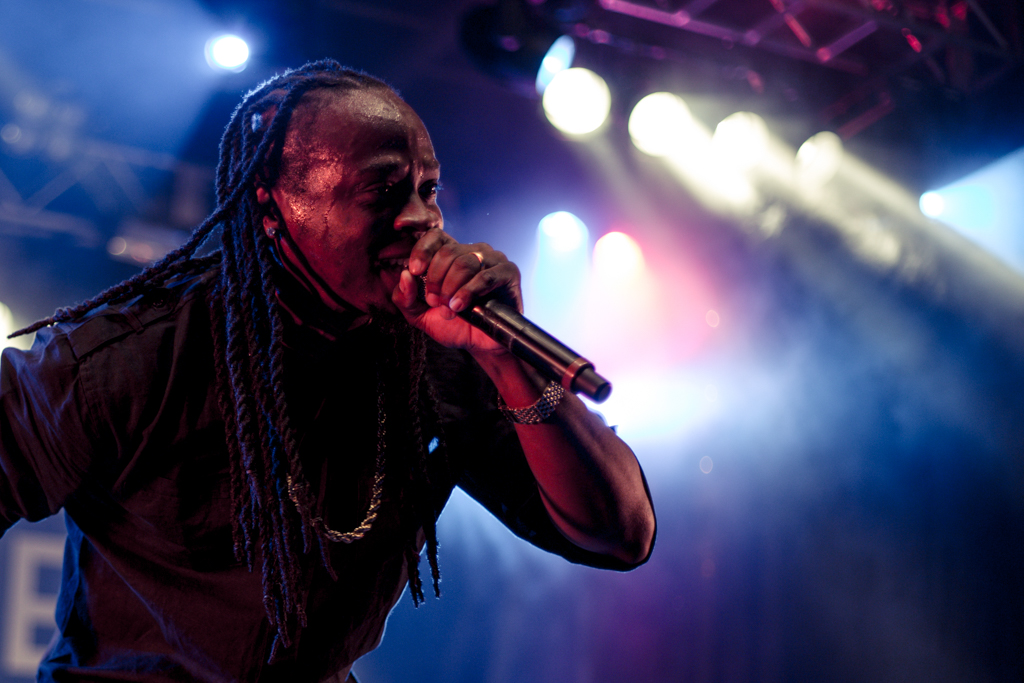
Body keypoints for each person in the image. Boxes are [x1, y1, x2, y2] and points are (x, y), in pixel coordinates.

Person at [0, 60, 655, 682]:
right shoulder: (135, 356)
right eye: (382, 190)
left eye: (428, 189)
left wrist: (509, 362)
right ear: (272, 205)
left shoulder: (441, 359)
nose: (422, 218)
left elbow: (621, 534)